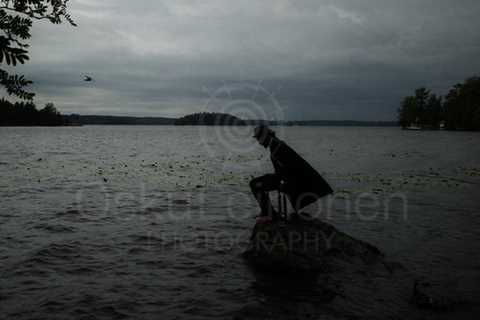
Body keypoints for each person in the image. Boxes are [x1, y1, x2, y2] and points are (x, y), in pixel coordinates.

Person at [250, 125, 333, 220]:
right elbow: (284, 168)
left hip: (287, 180)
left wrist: (283, 183)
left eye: (259, 139)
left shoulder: (277, 146)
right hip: (283, 178)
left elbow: (289, 169)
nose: (259, 142)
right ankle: (268, 212)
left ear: (265, 136)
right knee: (255, 183)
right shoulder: (276, 144)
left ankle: (269, 213)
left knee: (254, 184)